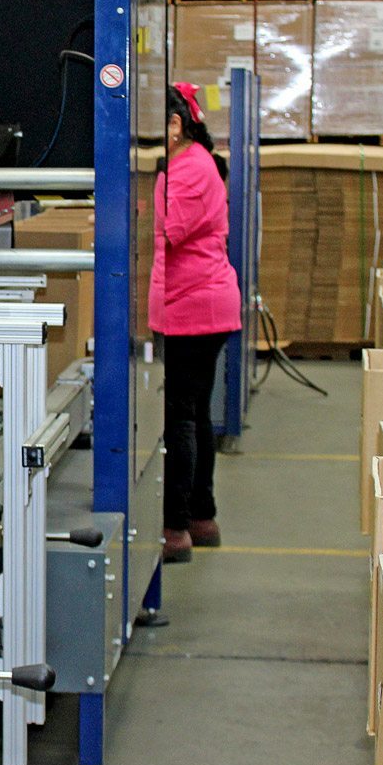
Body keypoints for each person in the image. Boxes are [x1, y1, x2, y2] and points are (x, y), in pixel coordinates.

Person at [149, 82, 241, 564]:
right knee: (197, 413)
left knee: (180, 417)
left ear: (175, 124)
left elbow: (170, 231)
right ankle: (203, 518)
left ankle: (175, 528)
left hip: (192, 308)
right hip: (201, 304)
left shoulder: (187, 169)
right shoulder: (196, 163)